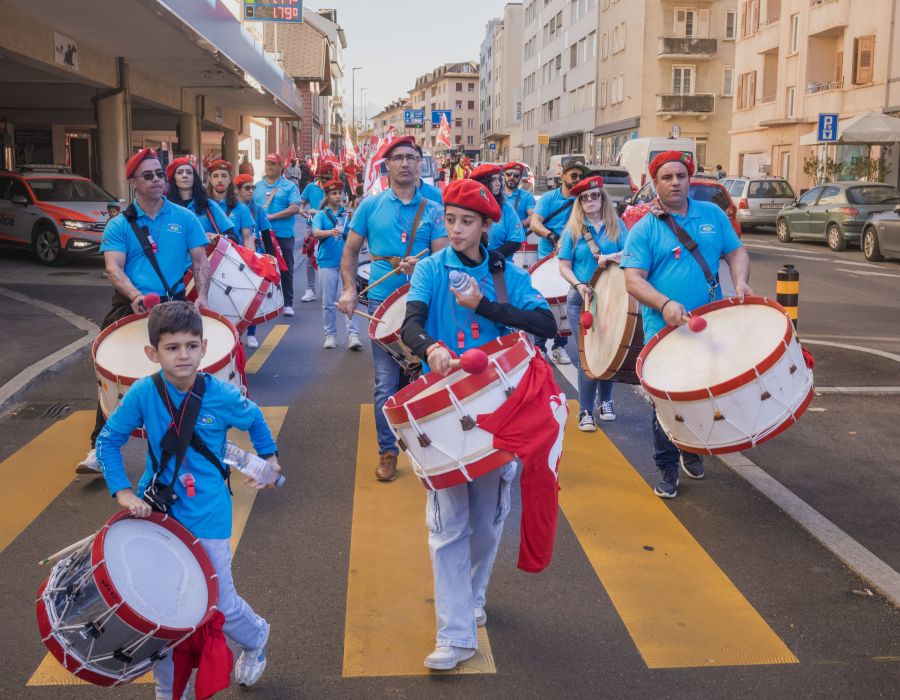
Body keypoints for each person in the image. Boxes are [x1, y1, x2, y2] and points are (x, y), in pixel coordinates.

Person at [399, 178, 556, 671]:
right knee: (448, 524)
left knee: (487, 523)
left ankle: (473, 596)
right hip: (445, 409)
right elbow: (410, 324)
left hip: (497, 408)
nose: (457, 229)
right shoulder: (429, 267)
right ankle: (455, 635)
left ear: (487, 226)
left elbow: (546, 324)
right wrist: (431, 348)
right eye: (450, 220)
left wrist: (483, 306)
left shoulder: (505, 273)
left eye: (467, 221)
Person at [94, 301, 281, 697]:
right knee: (164, 608)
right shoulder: (145, 393)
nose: (183, 355)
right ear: (152, 353)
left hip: (210, 513)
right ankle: (168, 692)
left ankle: (256, 636)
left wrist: (270, 460)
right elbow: (108, 440)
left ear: (204, 347)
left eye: (191, 346)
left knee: (220, 607)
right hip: (160, 514)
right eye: (172, 347)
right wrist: (123, 491)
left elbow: (255, 420)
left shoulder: (222, 394)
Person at [621, 150, 752, 499]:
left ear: (689, 178)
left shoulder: (712, 215)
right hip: (664, 332)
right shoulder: (644, 229)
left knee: (703, 392)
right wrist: (664, 304)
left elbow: (736, 251)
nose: (676, 182)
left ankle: (691, 449)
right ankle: (666, 465)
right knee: (667, 401)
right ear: (655, 183)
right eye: (667, 177)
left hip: (711, 325)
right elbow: (633, 280)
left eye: (681, 175)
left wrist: (740, 281)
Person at [76, 148, 210, 474]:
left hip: (174, 305)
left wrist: (202, 296)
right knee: (112, 374)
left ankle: (193, 447)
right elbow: (113, 268)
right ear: (134, 182)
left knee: (183, 374)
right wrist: (135, 294)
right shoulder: (120, 225)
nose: (156, 181)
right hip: (130, 307)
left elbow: (200, 261)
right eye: (147, 176)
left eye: (158, 174)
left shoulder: (185, 218)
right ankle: (100, 446)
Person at [337, 135, 448, 482]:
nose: (404, 163)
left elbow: (445, 255)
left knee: (427, 377)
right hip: (382, 304)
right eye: (397, 158)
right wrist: (350, 288)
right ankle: (388, 451)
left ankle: (428, 447)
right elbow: (351, 251)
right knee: (386, 385)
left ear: (420, 164)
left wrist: (426, 262)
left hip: (424, 304)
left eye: (411, 157)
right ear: (387, 165)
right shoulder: (370, 206)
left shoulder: (434, 207)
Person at [557, 175, 629, 430]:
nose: (590, 200)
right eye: (584, 198)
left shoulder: (617, 226)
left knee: (609, 351)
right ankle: (585, 411)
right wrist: (577, 284)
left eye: (594, 195)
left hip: (611, 298)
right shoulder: (574, 230)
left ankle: (606, 401)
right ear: (579, 202)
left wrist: (613, 256)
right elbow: (563, 266)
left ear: (602, 198)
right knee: (588, 355)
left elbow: (632, 256)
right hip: (582, 299)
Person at [530, 158, 591, 364]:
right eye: (573, 175)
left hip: (572, 257)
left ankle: (558, 346)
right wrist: (551, 236)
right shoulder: (549, 198)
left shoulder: (582, 199)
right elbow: (535, 223)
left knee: (565, 303)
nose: (578, 179)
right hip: (548, 257)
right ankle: (539, 346)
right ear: (563, 177)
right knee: (546, 301)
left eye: (581, 176)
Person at [312, 178, 362, 350]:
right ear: (327, 196)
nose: (337, 196)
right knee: (328, 301)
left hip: (346, 263)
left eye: (339, 193)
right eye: (333, 193)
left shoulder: (346, 214)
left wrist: (352, 223)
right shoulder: (320, 215)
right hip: (327, 262)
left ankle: (353, 335)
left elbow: (353, 236)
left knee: (350, 298)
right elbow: (316, 233)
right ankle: (330, 335)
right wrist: (330, 231)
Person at [254, 153, 302, 316]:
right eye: (267, 163)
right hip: (262, 236)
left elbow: (295, 208)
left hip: (283, 235)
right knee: (262, 270)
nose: (269, 167)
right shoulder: (257, 186)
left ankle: (287, 303)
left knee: (286, 269)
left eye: (273, 164)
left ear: (280, 167)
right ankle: (266, 303)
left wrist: (272, 217)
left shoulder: (289, 187)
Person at [234, 174, 276, 349]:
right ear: (237, 190)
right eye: (247, 188)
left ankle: (251, 333)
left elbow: (266, 235)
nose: (251, 191)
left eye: (253, 187)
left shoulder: (258, 210)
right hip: (233, 258)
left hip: (253, 257)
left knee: (251, 296)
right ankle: (235, 333)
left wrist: (271, 259)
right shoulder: (230, 209)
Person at [165, 157, 236, 241]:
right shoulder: (164, 207)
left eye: (189, 172)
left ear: (194, 178)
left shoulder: (208, 205)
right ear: (174, 178)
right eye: (180, 172)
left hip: (205, 254)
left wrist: (218, 237)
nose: (185, 175)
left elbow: (233, 237)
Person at [468, 163, 524, 259]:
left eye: (499, 179)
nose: (498, 183)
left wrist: (490, 258)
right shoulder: (468, 208)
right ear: (482, 183)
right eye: (493, 180)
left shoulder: (506, 209)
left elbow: (515, 242)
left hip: (501, 267)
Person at [299, 167, 336, 303]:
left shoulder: (334, 188)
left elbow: (341, 205)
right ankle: (310, 289)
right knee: (310, 258)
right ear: (318, 177)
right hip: (312, 226)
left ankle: (327, 290)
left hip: (330, 226)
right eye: (323, 178)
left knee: (329, 257)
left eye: (329, 178)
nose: (326, 181)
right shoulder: (310, 187)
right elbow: (301, 206)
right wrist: (305, 212)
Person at [206, 159, 255, 249]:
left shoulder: (241, 208)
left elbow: (247, 239)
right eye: (215, 176)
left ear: (229, 179)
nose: (220, 180)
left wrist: (250, 261)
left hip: (232, 259)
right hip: (204, 259)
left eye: (224, 176)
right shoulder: (201, 206)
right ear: (211, 180)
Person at [502, 162, 536, 229]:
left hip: (517, 238)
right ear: (504, 175)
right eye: (508, 174)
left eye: (516, 175)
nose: (511, 177)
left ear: (520, 177)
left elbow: (533, 216)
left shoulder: (527, 196)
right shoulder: (496, 194)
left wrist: (520, 225)